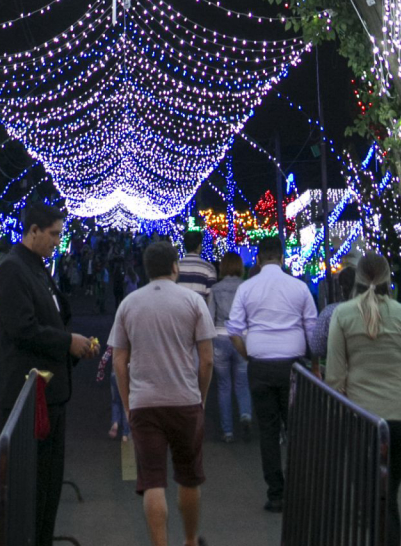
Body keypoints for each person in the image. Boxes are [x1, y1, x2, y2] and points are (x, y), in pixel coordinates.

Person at [0, 199, 95, 546]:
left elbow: (50, 319)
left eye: (60, 234)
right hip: (29, 397)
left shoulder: (37, 266)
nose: (57, 241)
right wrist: (67, 342)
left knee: (49, 484)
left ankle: (44, 538)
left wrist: (75, 346)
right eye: (53, 234)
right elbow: (22, 328)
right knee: (33, 486)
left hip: (50, 393)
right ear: (32, 231)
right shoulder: (12, 269)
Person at [111, 236, 215, 546]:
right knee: (188, 475)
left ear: (145, 269)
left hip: (144, 402)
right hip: (185, 400)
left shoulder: (129, 303)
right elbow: (207, 359)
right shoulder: (192, 301)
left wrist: (128, 403)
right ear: (174, 266)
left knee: (152, 479)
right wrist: (202, 398)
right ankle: (190, 539)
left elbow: (119, 360)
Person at [326, 251, 401, 546]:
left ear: (357, 279)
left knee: (368, 496)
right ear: (389, 279)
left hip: (360, 418)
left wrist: (338, 417)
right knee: (389, 497)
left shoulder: (343, 314)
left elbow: (335, 376)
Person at [227, 234, 317, 514]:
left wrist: (248, 353)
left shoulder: (247, 288)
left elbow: (233, 331)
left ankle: (275, 493)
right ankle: (300, 489)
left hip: (260, 364)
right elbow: (312, 329)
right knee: (295, 428)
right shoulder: (299, 287)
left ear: (257, 258)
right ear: (281, 257)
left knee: (267, 430)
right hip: (293, 364)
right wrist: (314, 362)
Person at [208, 250, 253, 441]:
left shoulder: (215, 289)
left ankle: (227, 431)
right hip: (241, 338)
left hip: (219, 337)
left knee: (224, 386)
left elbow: (209, 318)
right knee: (242, 383)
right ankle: (245, 413)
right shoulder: (247, 287)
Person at [308, 261, 356, 360]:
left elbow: (316, 348)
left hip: (338, 368)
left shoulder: (329, 313)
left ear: (341, 288)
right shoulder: (375, 311)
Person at [177, 228, 217, 302]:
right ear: (199, 246)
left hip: (178, 311)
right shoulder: (209, 269)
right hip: (199, 311)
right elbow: (210, 299)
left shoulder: (175, 267)